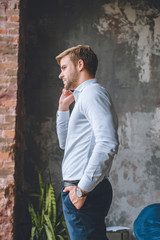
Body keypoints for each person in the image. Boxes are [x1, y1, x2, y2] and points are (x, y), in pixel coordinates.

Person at [56, 45, 119, 240]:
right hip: (80, 190)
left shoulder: (92, 93)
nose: (60, 75)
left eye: (64, 67)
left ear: (80, 64)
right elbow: (66, 144)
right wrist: (63, 109)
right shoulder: (83, 96)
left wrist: (82, 190)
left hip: (83, 191)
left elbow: (107, 142)